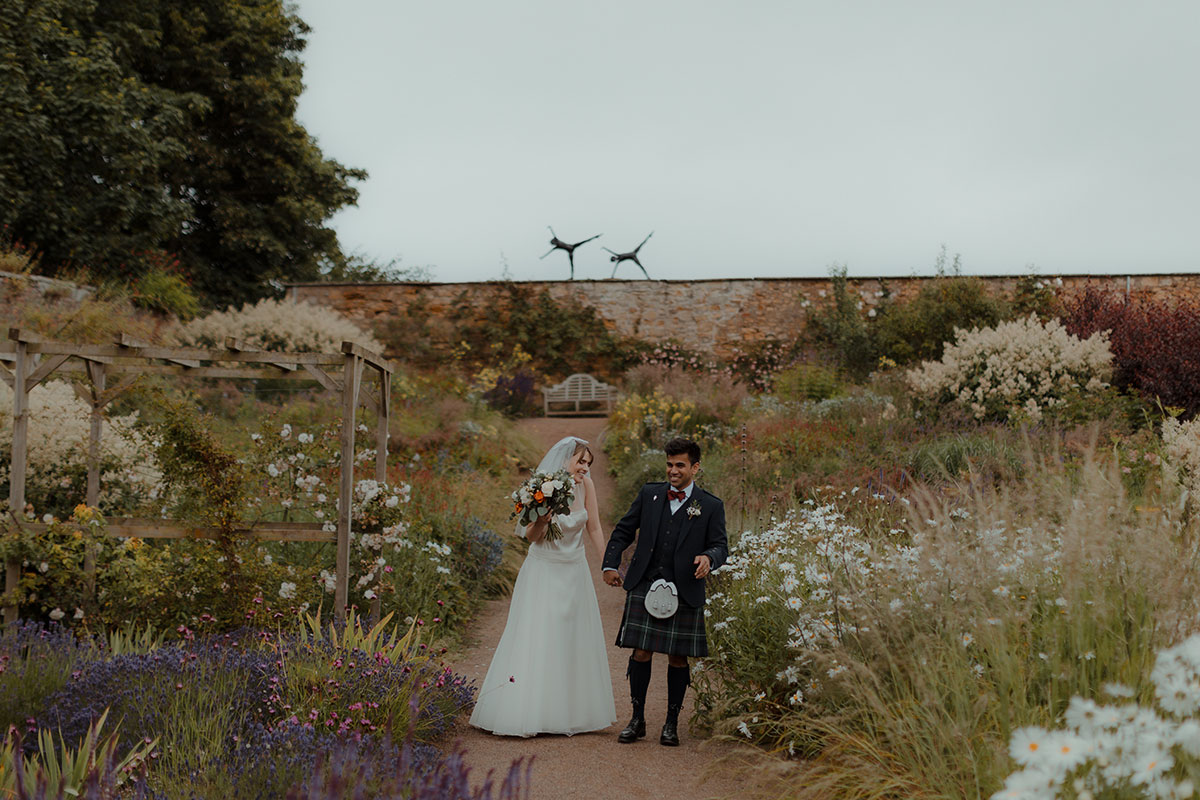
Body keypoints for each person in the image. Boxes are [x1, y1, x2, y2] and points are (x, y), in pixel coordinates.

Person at [469, 436, 617, 736]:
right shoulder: (543, 487)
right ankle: (528, 710)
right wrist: (544, 520)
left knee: (571, 636)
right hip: (544, 570)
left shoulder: (586, 486)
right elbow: (531, 536)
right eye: (580, 462)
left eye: (588, 463)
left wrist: (607, 563)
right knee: (538, 635)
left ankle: (568, 711)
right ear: (566, 461)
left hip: (574, 571)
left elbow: (595, 526)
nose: (585, 468)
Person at [601, 437, 727, 746]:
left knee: (677, 658)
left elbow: (721, 545)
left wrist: (709, 558)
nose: (673, 470)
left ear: (695, 467)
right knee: (640, 651)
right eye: (669, 464)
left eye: (680, 465)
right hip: (645, 581)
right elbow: (623, 530)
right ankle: (637, 718)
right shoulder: (649, 494)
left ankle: (671, 723)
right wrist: (610, 564)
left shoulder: (710, 505)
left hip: (684, 587)